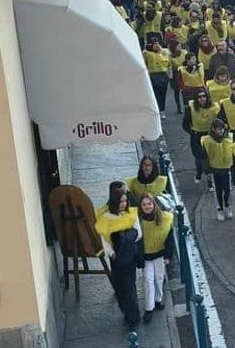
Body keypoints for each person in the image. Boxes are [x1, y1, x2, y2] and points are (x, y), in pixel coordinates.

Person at [95, 185, 141, 328]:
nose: (124, 204)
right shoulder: (105, 219)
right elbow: (104, 239)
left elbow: (138, 233)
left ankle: (134, 316)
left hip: (129, 256)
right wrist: (112, 253)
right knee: (120, 288)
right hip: (116, 259)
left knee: (129, 288)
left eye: (125, 201)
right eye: (121, 201)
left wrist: (123, 239)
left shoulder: (131, 215)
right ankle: (127, 311)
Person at [137, 194, 174, 323]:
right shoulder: (138, 221)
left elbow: (169, 238)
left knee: (158, 279)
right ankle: (149, 308)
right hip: (145, 256)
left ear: (154, 204)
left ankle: (158, 299)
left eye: (149, 204)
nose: (147, 206)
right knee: (148, 280)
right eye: (144, 204)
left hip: (160, 255)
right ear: (140, 207)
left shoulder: (164, 218)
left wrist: (168, 256)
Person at [182, 89, 221, 184]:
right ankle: (199, 172)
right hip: (197, 136)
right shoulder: (191, 108)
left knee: (209, 159)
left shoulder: (214, 107)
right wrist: (192, 132)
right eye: (199, 97)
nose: (202, 98)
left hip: (210, 135)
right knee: (199, 158)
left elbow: (220, 121)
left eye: (204, 96)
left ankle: (209, 180)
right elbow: (185, 124)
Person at [201, 118, 234, 221]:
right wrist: (207, 171)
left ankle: (228, 206)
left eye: (222, 129)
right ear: (213, 129)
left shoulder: (229, 138)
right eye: (218, 129)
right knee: (217, 191)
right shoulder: (207, 140)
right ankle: (219, 209)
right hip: (214, 170)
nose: (221, 131)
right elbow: (204, 157)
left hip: (226, 168)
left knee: (228, 190)